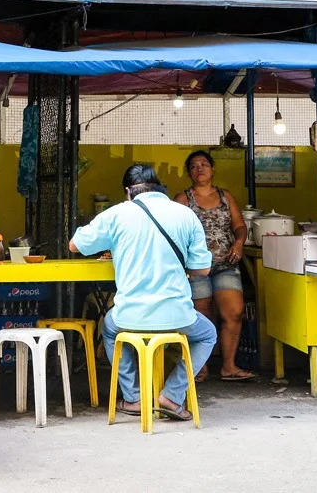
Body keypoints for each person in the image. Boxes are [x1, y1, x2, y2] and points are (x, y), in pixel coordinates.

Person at [70, 164, 216, 422]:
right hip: (177, 315)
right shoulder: (185, 214)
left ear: (128, 191)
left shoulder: (116, 214)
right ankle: (172, 393)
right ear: (159, 187)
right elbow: (202, 269)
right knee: (207, 335)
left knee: (110, 330)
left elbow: (75, 245)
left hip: (130, 315)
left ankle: (133, 398)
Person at [174, 150, 255, 382]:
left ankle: (229, 366)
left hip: (226, 263)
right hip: (196, 267)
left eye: (204, 164)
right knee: (202, 315)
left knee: (234, 312)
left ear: (212, 169)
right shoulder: (182, 199)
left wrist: (239, 244)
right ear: (189, 172)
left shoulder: (225, 196)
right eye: (194, 166)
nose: (199, 169)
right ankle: (200, 367)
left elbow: (239, 226)